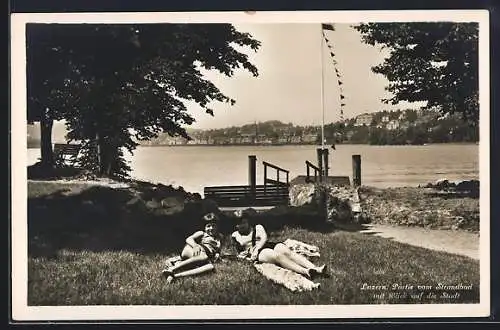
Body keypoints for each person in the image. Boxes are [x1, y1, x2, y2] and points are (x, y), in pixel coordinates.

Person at [231, 209, 328, 280]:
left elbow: (264, 238)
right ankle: (306, 272)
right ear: (236, 225)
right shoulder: (235, 235)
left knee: (286, 251)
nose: (242, 225)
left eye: (244, 222)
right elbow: (239, 251)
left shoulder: (257, 227)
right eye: (239, 224)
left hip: (264, 245)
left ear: (248, 222)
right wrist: (248, 255)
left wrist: (257, 248)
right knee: (277, 256)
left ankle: (316, 269)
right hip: (259, 253)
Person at [162, 212, 222, 283]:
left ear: (217, 226)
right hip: (191, 249)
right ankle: (172, 268)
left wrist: (217, 254)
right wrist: (195, 246)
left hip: (202, 256)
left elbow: (217, 249)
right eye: (208, 226)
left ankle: (175, 276)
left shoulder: (219, 237)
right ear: (204, 228)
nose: (211, 228)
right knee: (204, 257)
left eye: (213, 225)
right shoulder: (202, 233)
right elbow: (189, 239)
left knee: (210, 267)